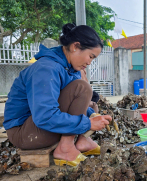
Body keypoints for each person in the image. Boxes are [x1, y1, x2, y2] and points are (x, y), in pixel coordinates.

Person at [4, 23, 112, 166]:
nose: (89, 62)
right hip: (25, 133)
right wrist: (88, 123)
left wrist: (92, 115)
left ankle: (81, 141)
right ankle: (65, 148)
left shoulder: (67, 67)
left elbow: (73, 104)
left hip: (38, 127)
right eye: (90, 56)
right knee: (82, 88)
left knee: (92, 106)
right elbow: (44, 116)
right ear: (75, 46)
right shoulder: (47, 68)